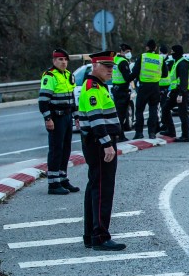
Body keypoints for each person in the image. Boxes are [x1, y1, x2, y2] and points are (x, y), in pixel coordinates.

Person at [77, 50, 126, 251]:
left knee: (95, 187)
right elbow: (96, 119)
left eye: (112, 67)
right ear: (94, 65)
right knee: (102, 189)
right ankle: (100, 236)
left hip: (98, 143)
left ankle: (91, 234)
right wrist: (107, 144)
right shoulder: (92, 88)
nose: (110, 70)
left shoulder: (99, 86)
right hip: (99, 144)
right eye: (106, 66)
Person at [39, 48, 80, 195]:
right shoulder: (50, 76)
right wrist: (48, 118)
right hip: (56, 117)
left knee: (66, 149)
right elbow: (43, 100)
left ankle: (62, 178)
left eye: (65, 59)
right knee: (56, 149)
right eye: (60, 59)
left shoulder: (69, 75)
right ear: (54, 61)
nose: (63, 62)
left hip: (68, 116)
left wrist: (76, 116)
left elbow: (72, 98)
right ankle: (53, 183)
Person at [131, 39, 162, 139]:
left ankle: (139, 133)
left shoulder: (142, 57)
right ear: (156, 48)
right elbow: (165, 73)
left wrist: (128, 79)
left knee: (139, 110)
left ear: (147, 47)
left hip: (144, 86)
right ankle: (152, 133)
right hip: (155, 87)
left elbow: (135, 72)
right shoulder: (159, 59)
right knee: (153, 109)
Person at [161, 44, 189, 142]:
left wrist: (181, 94)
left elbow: (183, 80)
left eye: (172, 52)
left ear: (177, 52)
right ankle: (171, 131)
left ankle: (185, 136)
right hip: (175, 91)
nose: (171, 54)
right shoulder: (176, 62)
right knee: (165, 109)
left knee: (183, 114)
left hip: (181, 92)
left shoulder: (183, 63)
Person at [112, 43, 134, 136]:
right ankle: (120, 135)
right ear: (122, 52)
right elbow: (127, 78)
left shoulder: (115, 60)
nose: (129, 53)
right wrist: (134, 74)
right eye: (127, 52)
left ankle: (120, 134)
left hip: (116, 89)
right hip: (122, 90)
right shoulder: (123, 62)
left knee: (118, 113)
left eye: (129, 52)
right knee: (121, 115)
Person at [158, 43, 174, 126]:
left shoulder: (170, 61)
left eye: (162, 53)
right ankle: (162, 122)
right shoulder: (159, 61)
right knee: (160, 106)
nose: (161, 55)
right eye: (160, 53)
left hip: (167, 86)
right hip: (158, 85)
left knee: (165, 106)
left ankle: (166, 123)